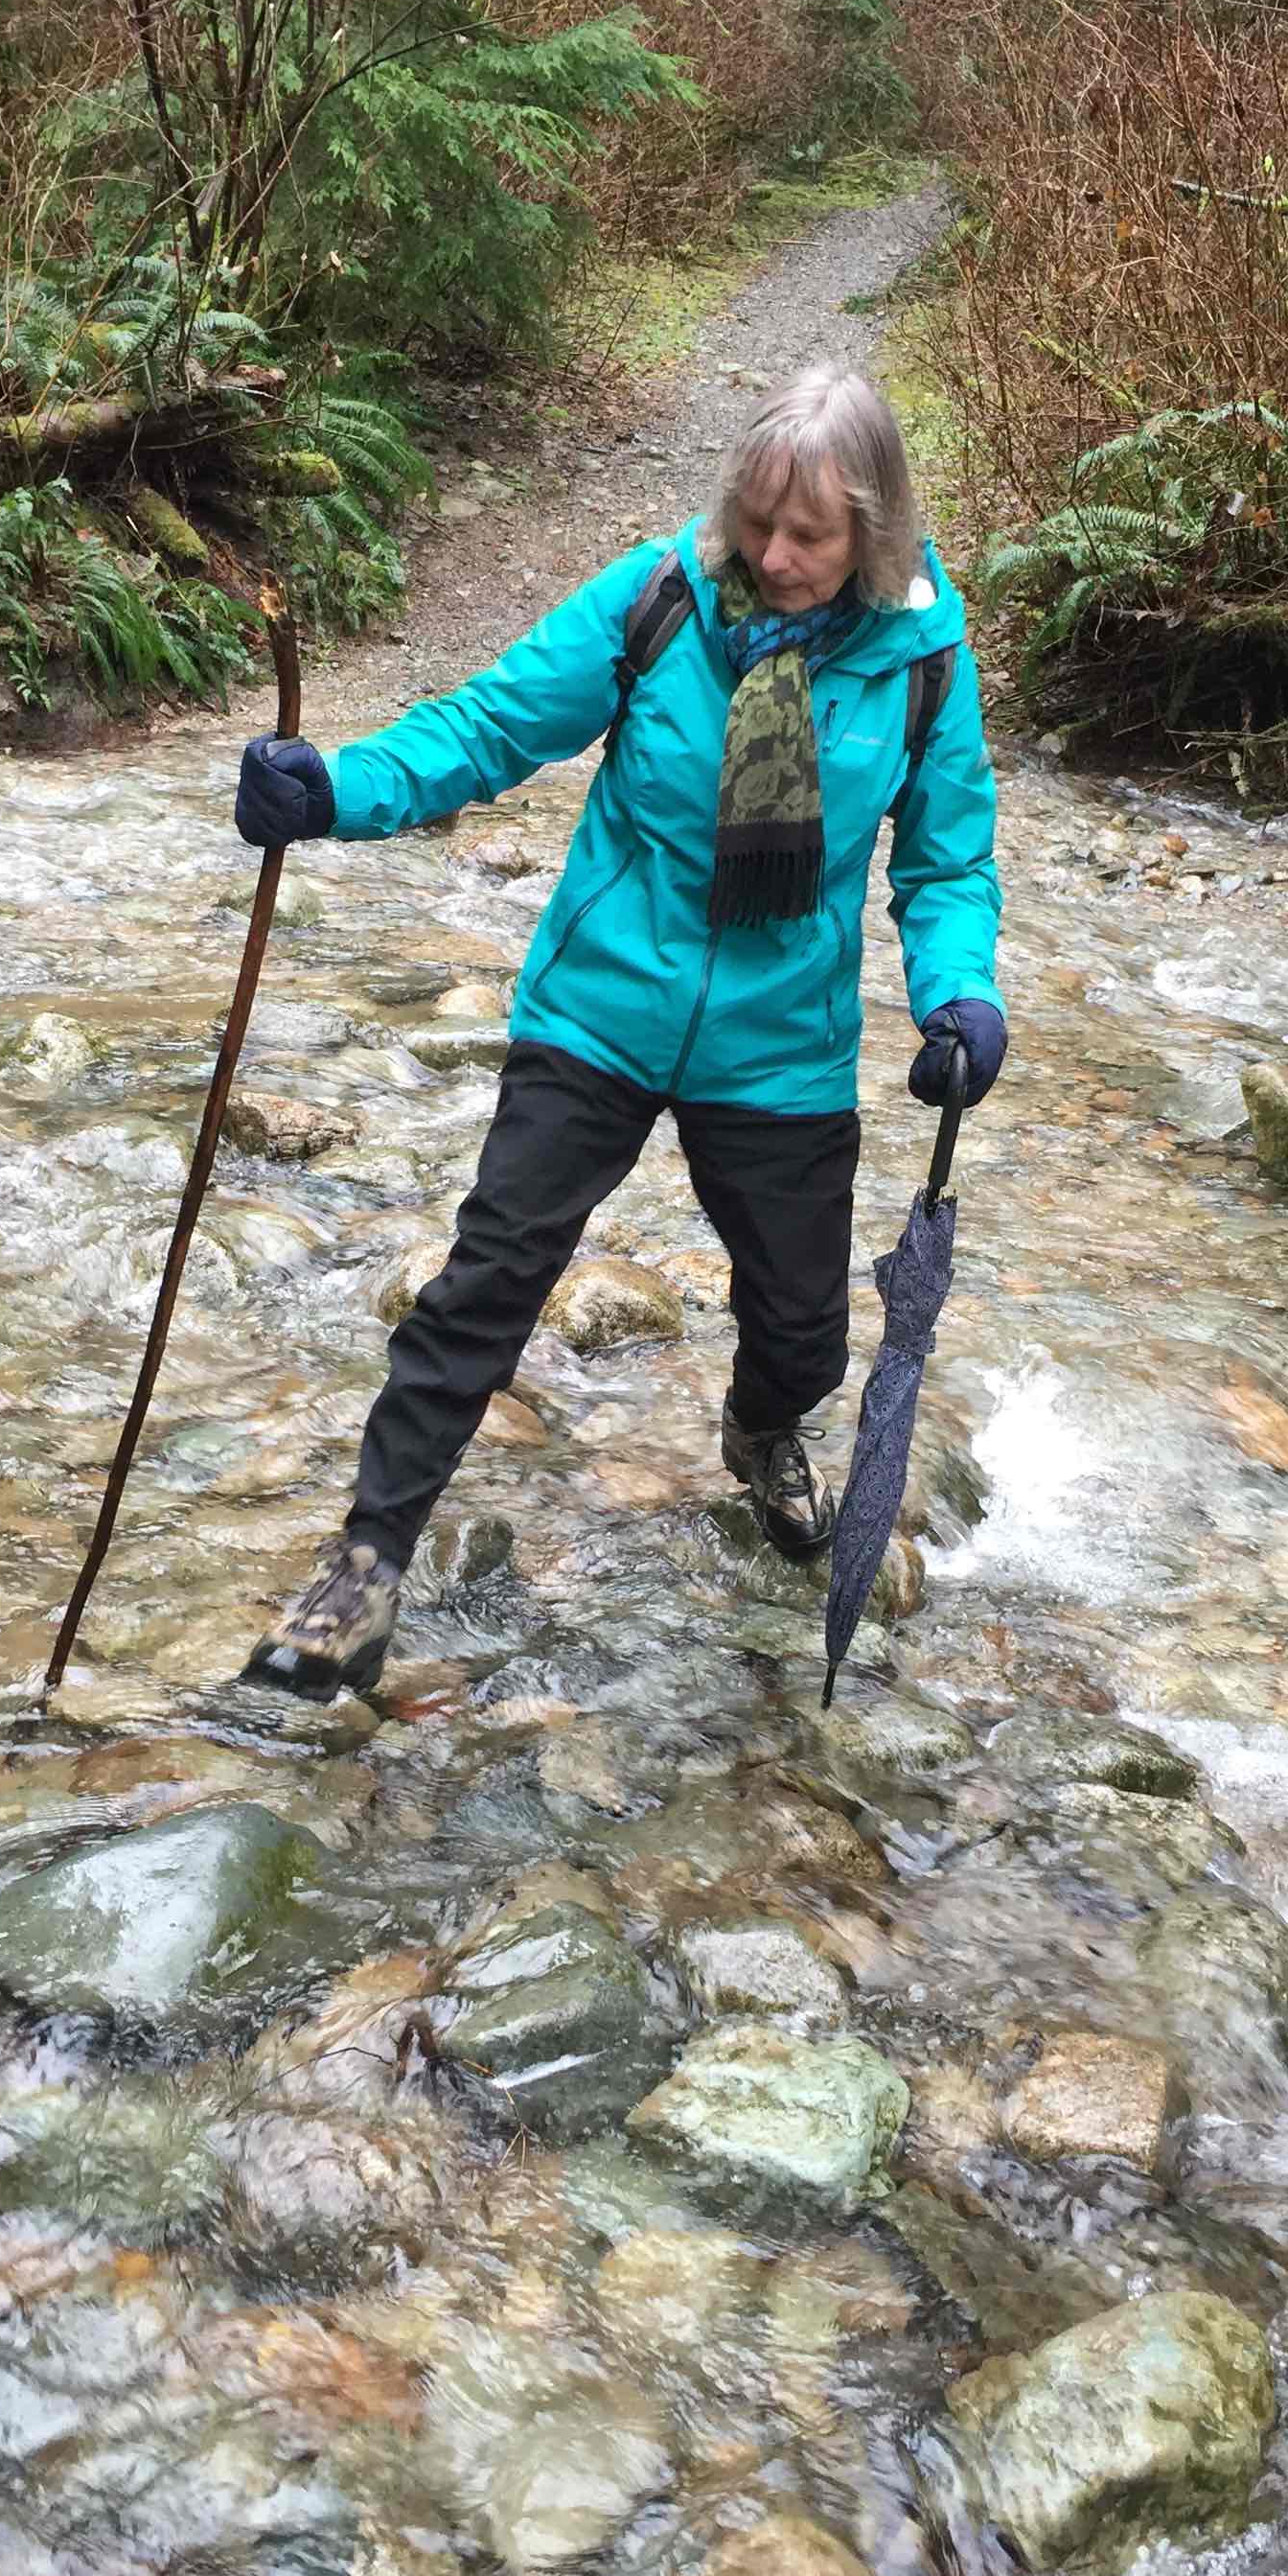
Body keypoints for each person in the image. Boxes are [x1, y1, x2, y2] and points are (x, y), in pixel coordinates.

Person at [231, 363, 1006, 1699]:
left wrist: (960, 994)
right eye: (759, 521)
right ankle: (365, 1566)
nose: (775, 556)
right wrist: (336, 789)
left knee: (807, 1337)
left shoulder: (924, 662)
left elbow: (945, 864)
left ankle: (761, 1429)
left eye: (811, 536)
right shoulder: (661, 600)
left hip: (780, 1049)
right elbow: (489, 726)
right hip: (599, 1007)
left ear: (875, 533)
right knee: (487, 1282)